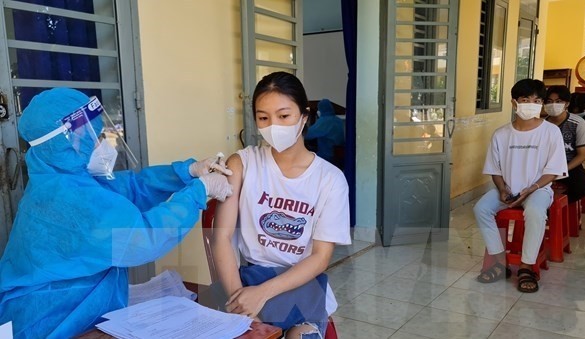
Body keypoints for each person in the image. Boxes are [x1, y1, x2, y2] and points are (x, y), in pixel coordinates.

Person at [0, 88, 233, 338]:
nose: (101, 143)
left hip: (79, 312)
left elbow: (133, 186)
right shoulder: (68, 199)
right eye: (92, 135)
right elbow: (143, 238)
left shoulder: (65, 178)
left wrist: (186, 172)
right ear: (65, 141)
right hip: (49, 320)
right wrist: (199, 191)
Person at [212, 72, 351, 338]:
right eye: (263, 117)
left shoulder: (330, 180)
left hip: (301, 285)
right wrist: (240, 303)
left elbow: (321, 257)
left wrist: (263, 294)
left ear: (305, 116)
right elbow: (222, 236)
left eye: (284, 116)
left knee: (302, 335)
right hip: (247, 282)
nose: (273, 125)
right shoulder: (241, 164)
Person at [474, 79, 567, 293]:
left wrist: (531, 188)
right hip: (507, 189)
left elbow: (553, 171)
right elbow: (495, 169)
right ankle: (500, 261)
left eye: (537, 100)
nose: (532, 104)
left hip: (538, 189)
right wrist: (502, 189)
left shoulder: (550, 132)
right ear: (515, 103)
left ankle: (526, 267)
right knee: (480, 209)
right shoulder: (501, 134)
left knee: (534, 212)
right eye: (526, 99)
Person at [545, 85, 585, 203]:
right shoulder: (542, 124)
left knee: (580, 187)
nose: (553, 105)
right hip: (545, 166)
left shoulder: (578, 123)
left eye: (558, 101)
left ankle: (556, 208)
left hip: (569, 165)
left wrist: (563, 170)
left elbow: (582, 154)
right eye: (549, 101)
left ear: (566, 104)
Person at [304, 98, 345, 166]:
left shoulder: (324, 121)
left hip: (326, 156)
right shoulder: (338, 120)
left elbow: (308, 135)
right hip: (338, 156)